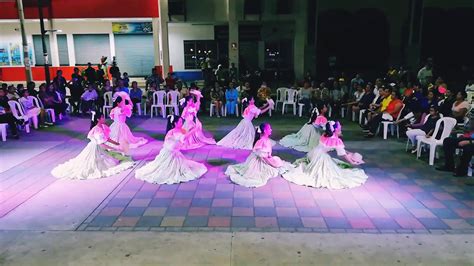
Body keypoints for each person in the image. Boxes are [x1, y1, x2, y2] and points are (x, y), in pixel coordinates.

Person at [282, 121, 368, 189]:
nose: (341, 131)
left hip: (313, 153)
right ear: (335, 131)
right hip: (320, 157)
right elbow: (342, 154)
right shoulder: (336, 141)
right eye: (339, 129)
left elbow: (341, 150)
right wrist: (351, 162)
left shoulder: (325, 135)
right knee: (330, 174)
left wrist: (348, 153)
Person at [51, 111, 133, 180]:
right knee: (96, 163)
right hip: (95, 148)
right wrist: (114, 148)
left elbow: (106, 138)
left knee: (111, 159)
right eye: (102, 117)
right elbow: (101, 144)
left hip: (100, 147)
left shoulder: (104, 127)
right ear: (98, 119)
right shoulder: (97, 130)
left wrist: (116, 143)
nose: (104, 119)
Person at [135, 115, 207, 184]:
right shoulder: (172, 131)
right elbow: (182, 138)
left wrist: (193, 128)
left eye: (182, 121)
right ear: (175, 123)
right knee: (165, 169)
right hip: (169, 152)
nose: (182, 123)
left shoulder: (181, 130)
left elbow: (186, 134)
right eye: (180, 122)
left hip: (175, 152)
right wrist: (194, 130)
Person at [225, 123, 292, 188]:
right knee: (267, 171)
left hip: (265, 158)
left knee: (277, 161)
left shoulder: (267, 140)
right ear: (265, 131)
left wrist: (270, 158)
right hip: (259, 160)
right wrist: (270, 162)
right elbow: (258, 153)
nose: (271, 130)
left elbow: (267, 152)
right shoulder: (261, 141)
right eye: (269, 128)